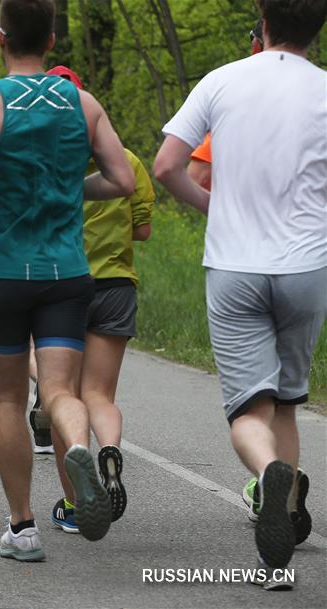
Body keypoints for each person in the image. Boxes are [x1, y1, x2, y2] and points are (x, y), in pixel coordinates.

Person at [0, 0, 135, 560]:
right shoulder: (82, 101)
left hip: (3, 269)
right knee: (59, 392)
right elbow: (121, 179)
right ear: (51, 41)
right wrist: (71, 188)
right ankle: (77, 447)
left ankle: (22, 528)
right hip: (66, 270)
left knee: (7, 396)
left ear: (0, 37)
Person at [153, 0, 325, 584]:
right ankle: (285, 527)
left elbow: (167, 165)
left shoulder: (223, 80)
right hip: (306, 267)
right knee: (285, 403)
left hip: (234, 266)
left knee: (249, 410)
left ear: (264, 20)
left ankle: (271, 476)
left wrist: (214, 206)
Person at [32, 66, 155, 534]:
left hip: (65, 284)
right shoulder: (127, 161)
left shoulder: (48, 160)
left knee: (63, 395)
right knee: (101, 394)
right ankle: (111, 451)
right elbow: (141, 229)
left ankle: (74, 503)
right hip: (118, 286)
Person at [187, 19, 265, 191]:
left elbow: (193, 176)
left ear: (256, 45)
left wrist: (222, 212)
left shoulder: (239, 101)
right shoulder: (315, 93)